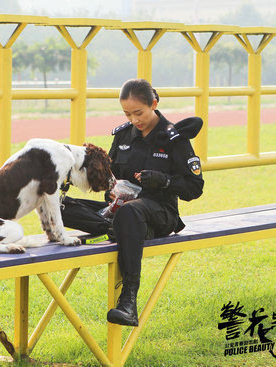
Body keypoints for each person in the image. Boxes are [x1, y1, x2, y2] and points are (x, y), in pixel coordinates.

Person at [61, 78, 204, 327]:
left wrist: (164, 181)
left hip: (160, 212)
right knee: (60, 207)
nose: (134, 120)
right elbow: (110, 175)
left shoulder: (174, 138)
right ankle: (116, 229)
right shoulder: (123, 135)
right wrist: (112, 191)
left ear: (154, 104)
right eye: (127, 114)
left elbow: (195, 188)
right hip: (124, 209)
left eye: (139, 113)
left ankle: (128, 301)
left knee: (129, 214)